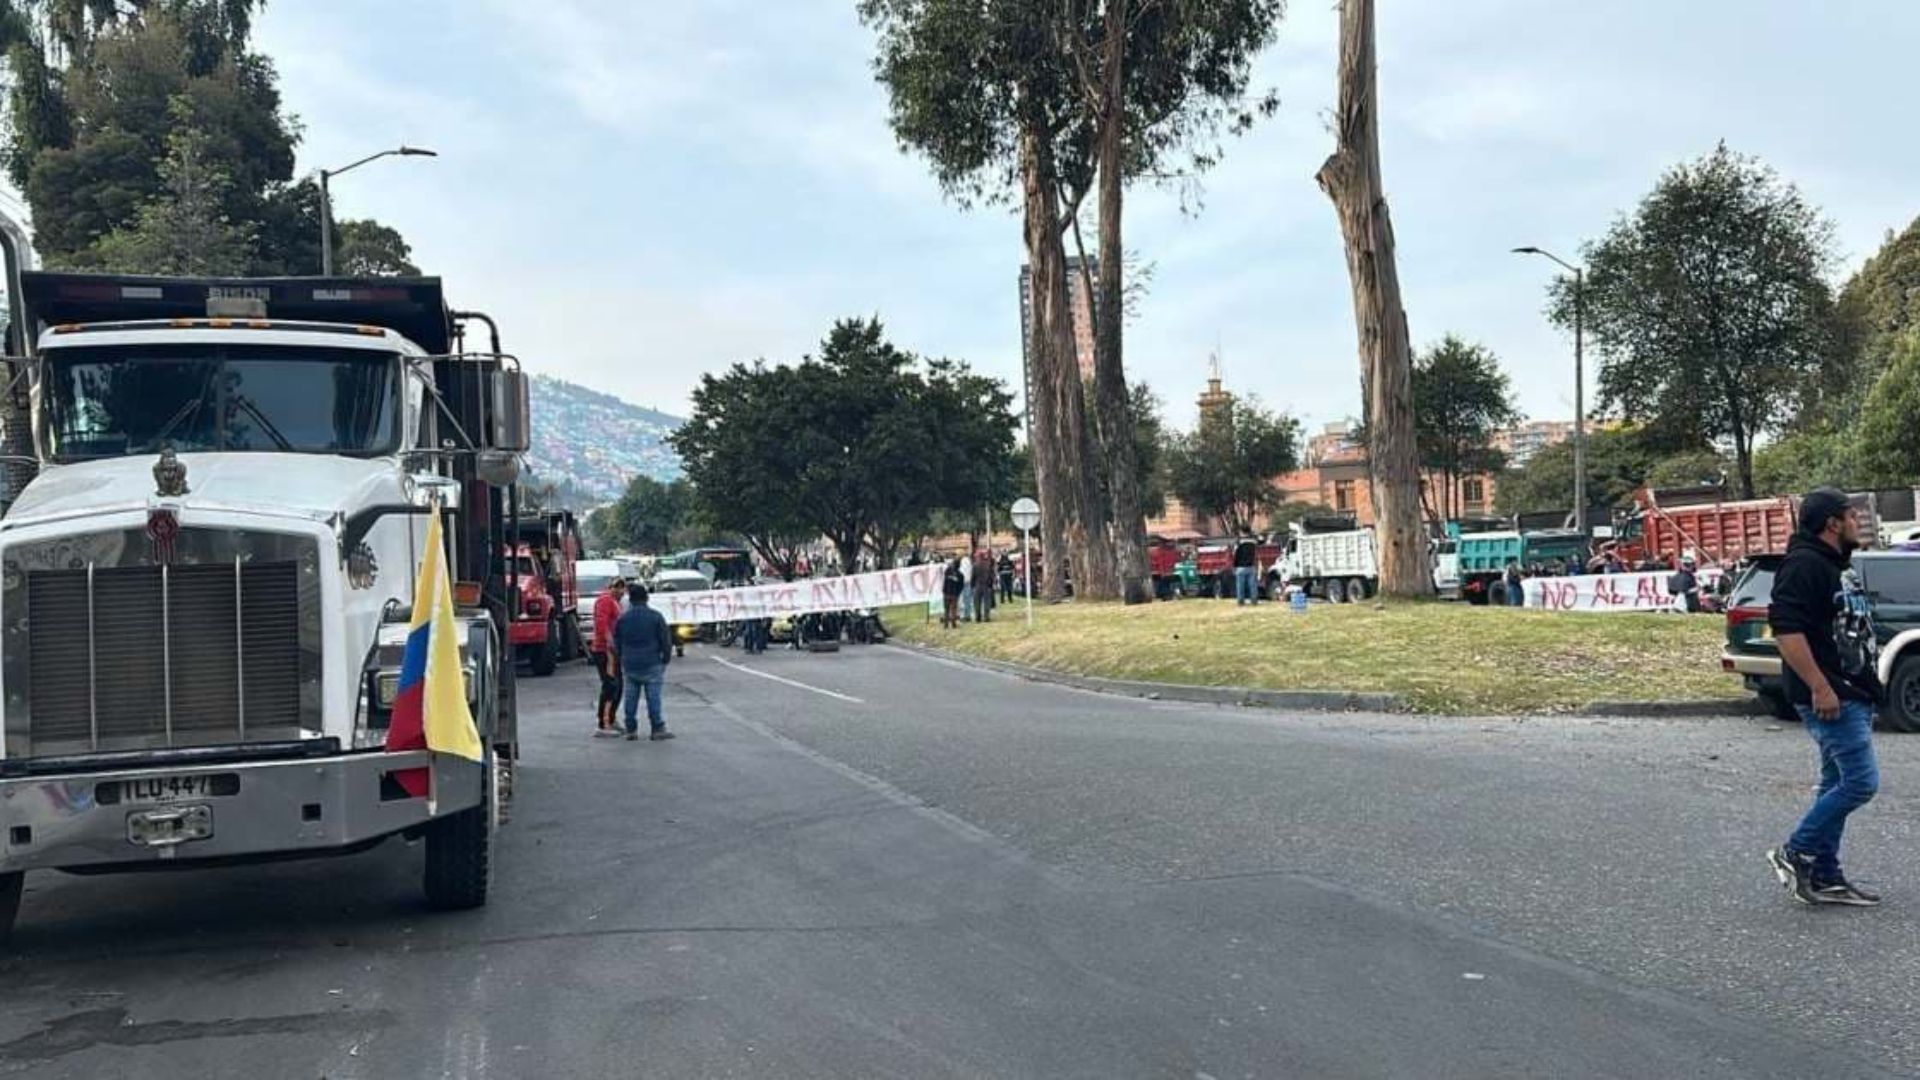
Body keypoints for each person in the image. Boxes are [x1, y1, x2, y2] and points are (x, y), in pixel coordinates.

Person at [1766, 488, 1881, 906]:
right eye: (1851, 516)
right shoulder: (1803, 564)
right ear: (1832, 523)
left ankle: (1826, 874)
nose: (1857, 522)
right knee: (1861, 782)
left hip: (1851, 689)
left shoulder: (1834, 564)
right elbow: (1786, 630)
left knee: (1837, 781)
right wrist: (1820, 686)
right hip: (1830, 694)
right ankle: (1795, 851)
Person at [612, 583, 676, 742]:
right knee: (653, 698)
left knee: (630, 698)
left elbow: (617, 642)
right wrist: (665, 659)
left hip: (630, 663)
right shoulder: (656, 616)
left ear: (631, 600)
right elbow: (665, 641)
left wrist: (620, 658)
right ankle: (657, 728)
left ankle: (631, 729)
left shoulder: (623, 619)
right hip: (652, 662)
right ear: (647, 598)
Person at [589, 576, 626, 736]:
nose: (620, 591)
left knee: (617, 685)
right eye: (617, 588)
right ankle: (603, 724)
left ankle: (610, 718)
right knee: (611, 685)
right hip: (605, 650)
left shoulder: (614, 602)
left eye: (622, 588)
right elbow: (601, 623)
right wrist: (609, 642)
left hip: (611, 649)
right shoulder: (605, 601)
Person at [1232, 536, 1258, 605]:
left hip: (1241, 567)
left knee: (1240, 586)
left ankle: (1241, 601)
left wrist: (1234, 566)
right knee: (1252, 585)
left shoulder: (1238, 543)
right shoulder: (1253, 542)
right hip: (1251, 566)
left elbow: (1235, 555)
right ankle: (1254, 600)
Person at [973, 547, 996, 622]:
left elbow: (973, 576)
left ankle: (978, 617)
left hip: (978, 585)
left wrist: (972, 585)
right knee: (987, 602)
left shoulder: (975, 565)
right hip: (987, 585)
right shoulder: (988, 564)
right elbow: (992, 575)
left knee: (977, 602)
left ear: (979, 556)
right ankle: (986, 617)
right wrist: (991, 584)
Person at [942, 556, 965, 629]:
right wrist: (958, 593)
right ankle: (953, 624)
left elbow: (945, 581)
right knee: (953, 609)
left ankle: (946, 624)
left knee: (946, 609)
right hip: (954, 594)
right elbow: (961, 586)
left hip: (947, 593)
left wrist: (944, 590)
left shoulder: (947, 571)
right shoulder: (960, 575)